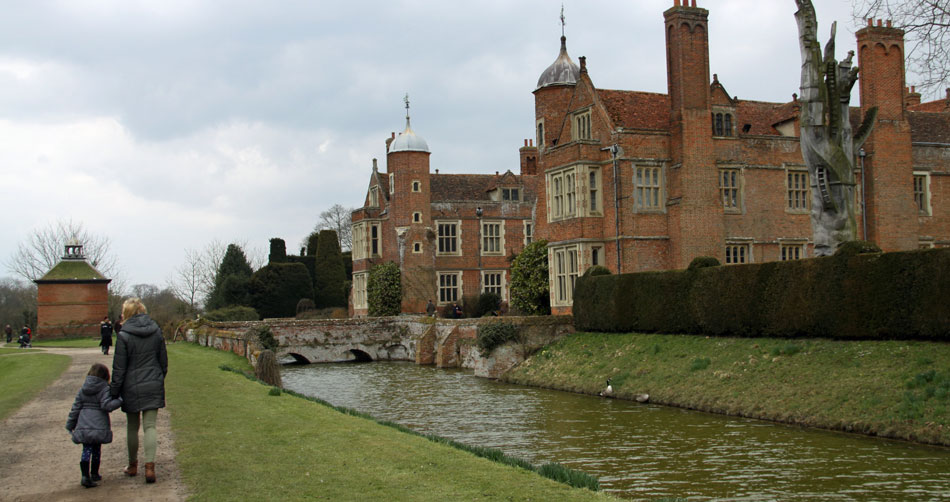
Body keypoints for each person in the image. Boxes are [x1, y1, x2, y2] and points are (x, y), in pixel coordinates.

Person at [110, 298, 167, 484]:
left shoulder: (124, 335)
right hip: (153, 382)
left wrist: (114, 391)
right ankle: (150, 467)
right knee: (150, 426)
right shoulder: (156, 331)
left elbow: (119, 368)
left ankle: (133, 465)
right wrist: (158, 378)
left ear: (126, 314)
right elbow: (163, 362)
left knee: (132, 427)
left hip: (131, 385)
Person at [66, 362, 123, 488]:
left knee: (86, 450)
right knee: (96, 450)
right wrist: (120, 400)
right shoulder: (104, 389)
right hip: (98, 425)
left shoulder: (83, 389)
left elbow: (75, 408)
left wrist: (70, 424)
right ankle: (94, 473)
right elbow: (106, 405)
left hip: (84, 425)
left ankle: (85, 475)